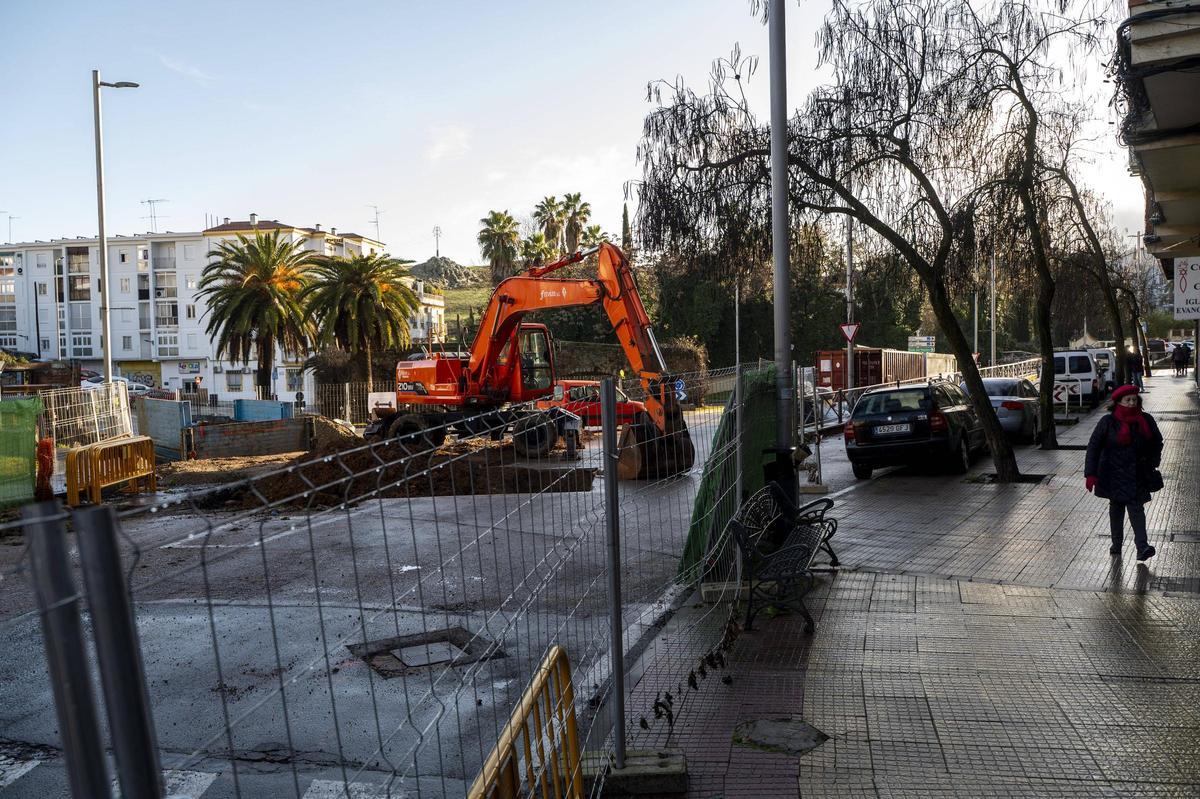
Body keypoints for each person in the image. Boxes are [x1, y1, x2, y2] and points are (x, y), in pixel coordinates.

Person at [1085, 384, 1163, 561]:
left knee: (1136, 509)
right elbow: (1093, 448)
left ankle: (1142, 547)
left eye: (1134, 400)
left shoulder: (1145, 420)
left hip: (1137, 474)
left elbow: (1157, 442)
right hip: (1113, 475)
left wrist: (1153, 461)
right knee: (1116, 508)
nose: (1131, 403)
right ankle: (1116, 544)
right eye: (1127, 400)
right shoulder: (1107, 422)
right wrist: (1090, 474)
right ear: (1118, 402)